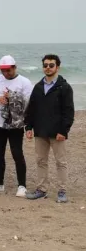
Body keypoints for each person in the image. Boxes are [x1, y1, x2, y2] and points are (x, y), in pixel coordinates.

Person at [24, 54, 74, 203]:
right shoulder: (38, 87)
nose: (48, 67)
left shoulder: (64, 87)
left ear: (57, 67)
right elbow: (31, 108)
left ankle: (62, 191)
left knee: (61, 162)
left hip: (57, 132)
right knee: (41, 161)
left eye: (51, 65)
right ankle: (41, 189)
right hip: (40, 131)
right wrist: (29, 126)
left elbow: (69, 112)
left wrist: (63, 131)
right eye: (45, 65)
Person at [0, 55, 33, 197]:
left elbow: (29, 104)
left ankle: (22, 186)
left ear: (14, 67)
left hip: (16, 124)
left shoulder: (24, 82)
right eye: (3, 70)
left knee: (17, 154)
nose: (5, 73)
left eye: (8, 70)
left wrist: (13, 98)